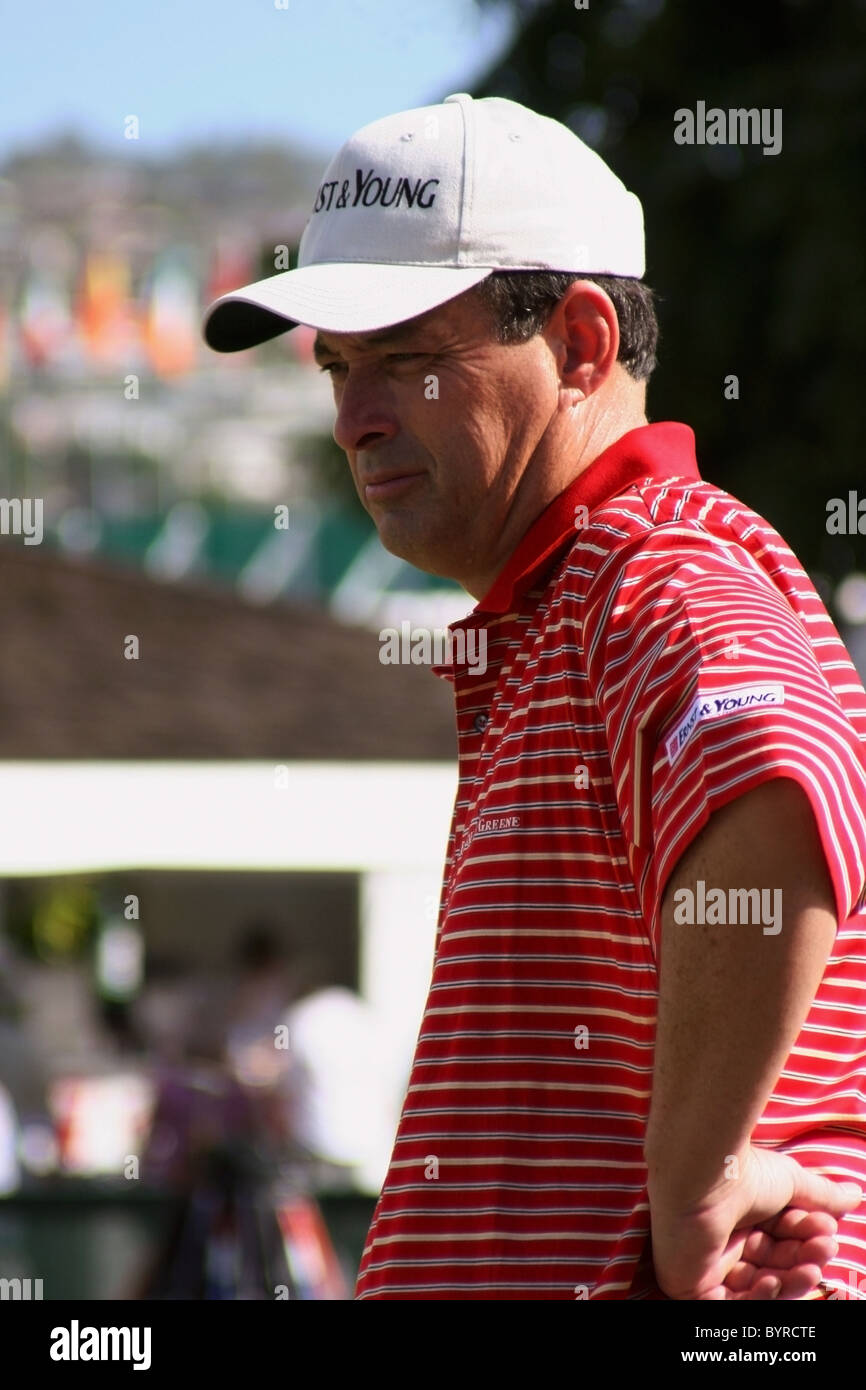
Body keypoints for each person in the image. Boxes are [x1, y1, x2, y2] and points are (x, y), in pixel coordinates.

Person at [201, 94, 866, 1301]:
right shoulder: (584, 588)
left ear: (582, 344)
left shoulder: (649, 565)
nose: (354, 420)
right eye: (340, 369)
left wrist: (694, 1180)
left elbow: (772, 780)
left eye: (407, 361)